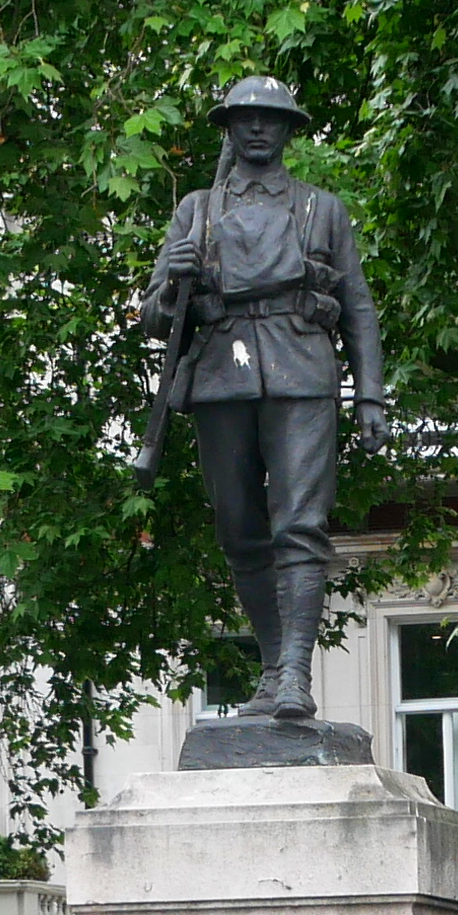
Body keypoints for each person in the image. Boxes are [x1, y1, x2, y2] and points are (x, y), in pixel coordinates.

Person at [137, 76, 387, 722]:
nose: (256, 129)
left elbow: (357, 306)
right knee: (239, 531)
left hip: (302, 370)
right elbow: (154, 319)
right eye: (244, 118)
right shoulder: (196, 210)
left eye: (270, 120)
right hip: (223, 375)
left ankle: (296, 676)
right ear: (227, 127)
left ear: (287, 131)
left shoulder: (320, 209)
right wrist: (175, 284)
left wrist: (370, 398)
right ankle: (273, 666)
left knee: (300, 526)